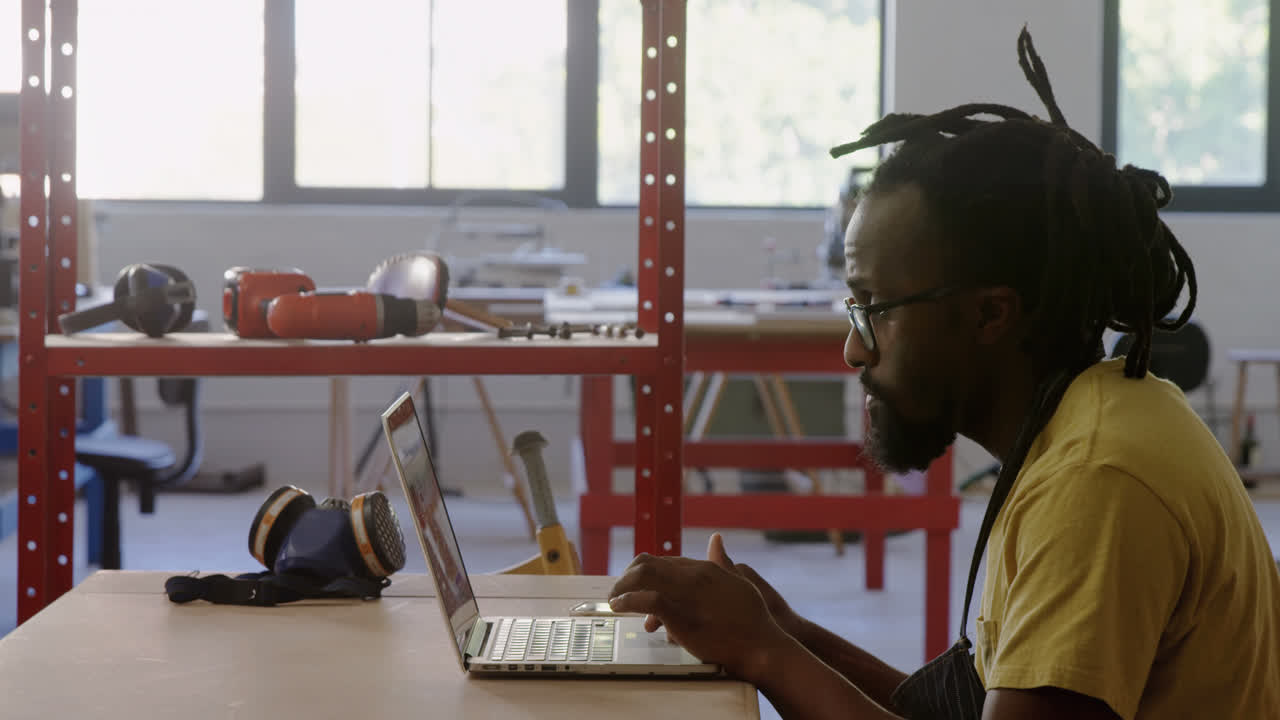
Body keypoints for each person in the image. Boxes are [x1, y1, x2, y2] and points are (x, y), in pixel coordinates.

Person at [607, 27, 1280, 720]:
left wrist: (763, 652)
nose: (853, 350)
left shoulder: (1096, 483)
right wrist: (787, 630)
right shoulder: (1091, 424)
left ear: (990, 314)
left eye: (875, 308)